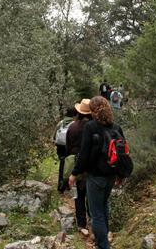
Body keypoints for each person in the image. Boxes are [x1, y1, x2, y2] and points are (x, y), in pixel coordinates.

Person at [69, 96, 126, 249]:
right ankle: (104, 239)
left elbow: (84, 154)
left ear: (93, 111)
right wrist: (121, 174)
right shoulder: (116, 128)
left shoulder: (91, 127)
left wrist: (74, 174)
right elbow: (123, 153)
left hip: (95, 176)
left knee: (97, 213)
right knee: (104, 206)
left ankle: (103, 245)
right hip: (111, 175)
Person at [66, 98, 92, 235]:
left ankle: (81, 223)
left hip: (77, 163)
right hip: (91, 165)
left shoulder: (72, 127)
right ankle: (93, 219)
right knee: (91, 193)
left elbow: (68, 147)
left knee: (79, 195)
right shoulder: (95, 127)